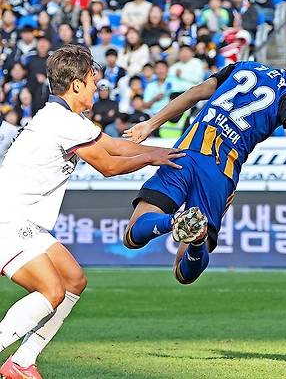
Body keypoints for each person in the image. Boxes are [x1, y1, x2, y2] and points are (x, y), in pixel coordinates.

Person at [0, 45, 183, 378]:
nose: (97, 87)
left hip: (25, 223)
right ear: (76, 85)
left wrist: (153, 153)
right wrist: (154, 155)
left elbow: (110, 152)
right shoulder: (61, 120)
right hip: (9, 221)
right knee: (51, 291)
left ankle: (21, 362)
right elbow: (109, 162)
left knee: (73, 280)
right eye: (92, 81)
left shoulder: (63, 119)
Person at [121, 59, 286, 284]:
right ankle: (196, 237)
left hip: (183, 154)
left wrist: (150, 124)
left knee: (133, 235)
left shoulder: (244, 67)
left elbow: (195, 92)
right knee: (184, 271)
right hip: (219, 172)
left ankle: (172, 222)